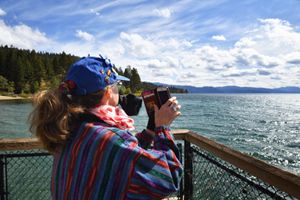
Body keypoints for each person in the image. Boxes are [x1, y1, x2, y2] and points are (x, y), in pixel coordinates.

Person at [29, 55, 183, 200]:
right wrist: (162, 128)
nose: (119, 90)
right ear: (109, 91)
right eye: (118, 85)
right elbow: (169, 178)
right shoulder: (113, 140)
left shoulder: (70, 129)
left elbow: (120, 156)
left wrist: (150, 131)